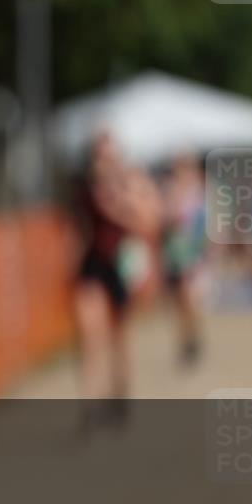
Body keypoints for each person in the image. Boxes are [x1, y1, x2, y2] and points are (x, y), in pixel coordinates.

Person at [72, 131, 160, 433]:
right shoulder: (84, 188)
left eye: (108, 155)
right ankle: (89, 405)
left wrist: (118, 205)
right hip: (93, 266)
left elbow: (149, 221)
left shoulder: (131, 184)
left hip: (122, 266)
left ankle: (120, 395)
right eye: (98, 155)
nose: (103, 162)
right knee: (89, 336)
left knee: (119, 337)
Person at [160, 154, 207, 366]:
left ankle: (192, 339)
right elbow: (164, 218)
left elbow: (202, 223)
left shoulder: (197, 191)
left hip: (192, 254)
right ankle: (187, 340)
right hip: (174, 253)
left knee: (189, 297)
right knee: (179, 301)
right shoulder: (170, 190)